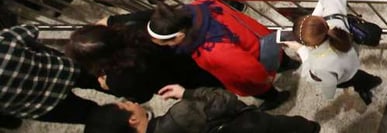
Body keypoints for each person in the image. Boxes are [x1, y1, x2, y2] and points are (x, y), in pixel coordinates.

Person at [145, 0, 293, 109]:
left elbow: (247, 68)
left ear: (179, 36)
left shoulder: (212, 50)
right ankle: (290, 63)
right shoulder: (202, 4)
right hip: (260, 37)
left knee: (262, 89)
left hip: (256, 59)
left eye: (166, 43)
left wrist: (264, 78)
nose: (169, 46)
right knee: (280, 57)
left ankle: (276, 98)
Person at [64, 22, 222, 102]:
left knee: (213, 94)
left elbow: (143, 97)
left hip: (182, 85)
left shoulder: (118, 79)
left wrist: (109, 86)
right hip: (194, 61)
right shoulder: (135, 28)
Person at [84, 85, 320, 133]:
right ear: (132, 120)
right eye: (126, 105)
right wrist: (186, 93)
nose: (131, 102)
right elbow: (225, 99)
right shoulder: (179, 115)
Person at [289, 0, 383, 103]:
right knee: (359, 77)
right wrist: (311, 24)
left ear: (308, 43)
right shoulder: (335, 22)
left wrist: (301, 50)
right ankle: (371, 82)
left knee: (353, 79)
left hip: (342, 77)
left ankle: (366, 85)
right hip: (352, 58)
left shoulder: (319, 64)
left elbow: (319, 82)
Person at [0, 24, 100, 127]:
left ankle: (108, 118)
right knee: (99, 80)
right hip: (62, 70)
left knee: (95, 116)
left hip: (41, 107)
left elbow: (11, 123)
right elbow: (31, 30)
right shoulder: (4, 41)